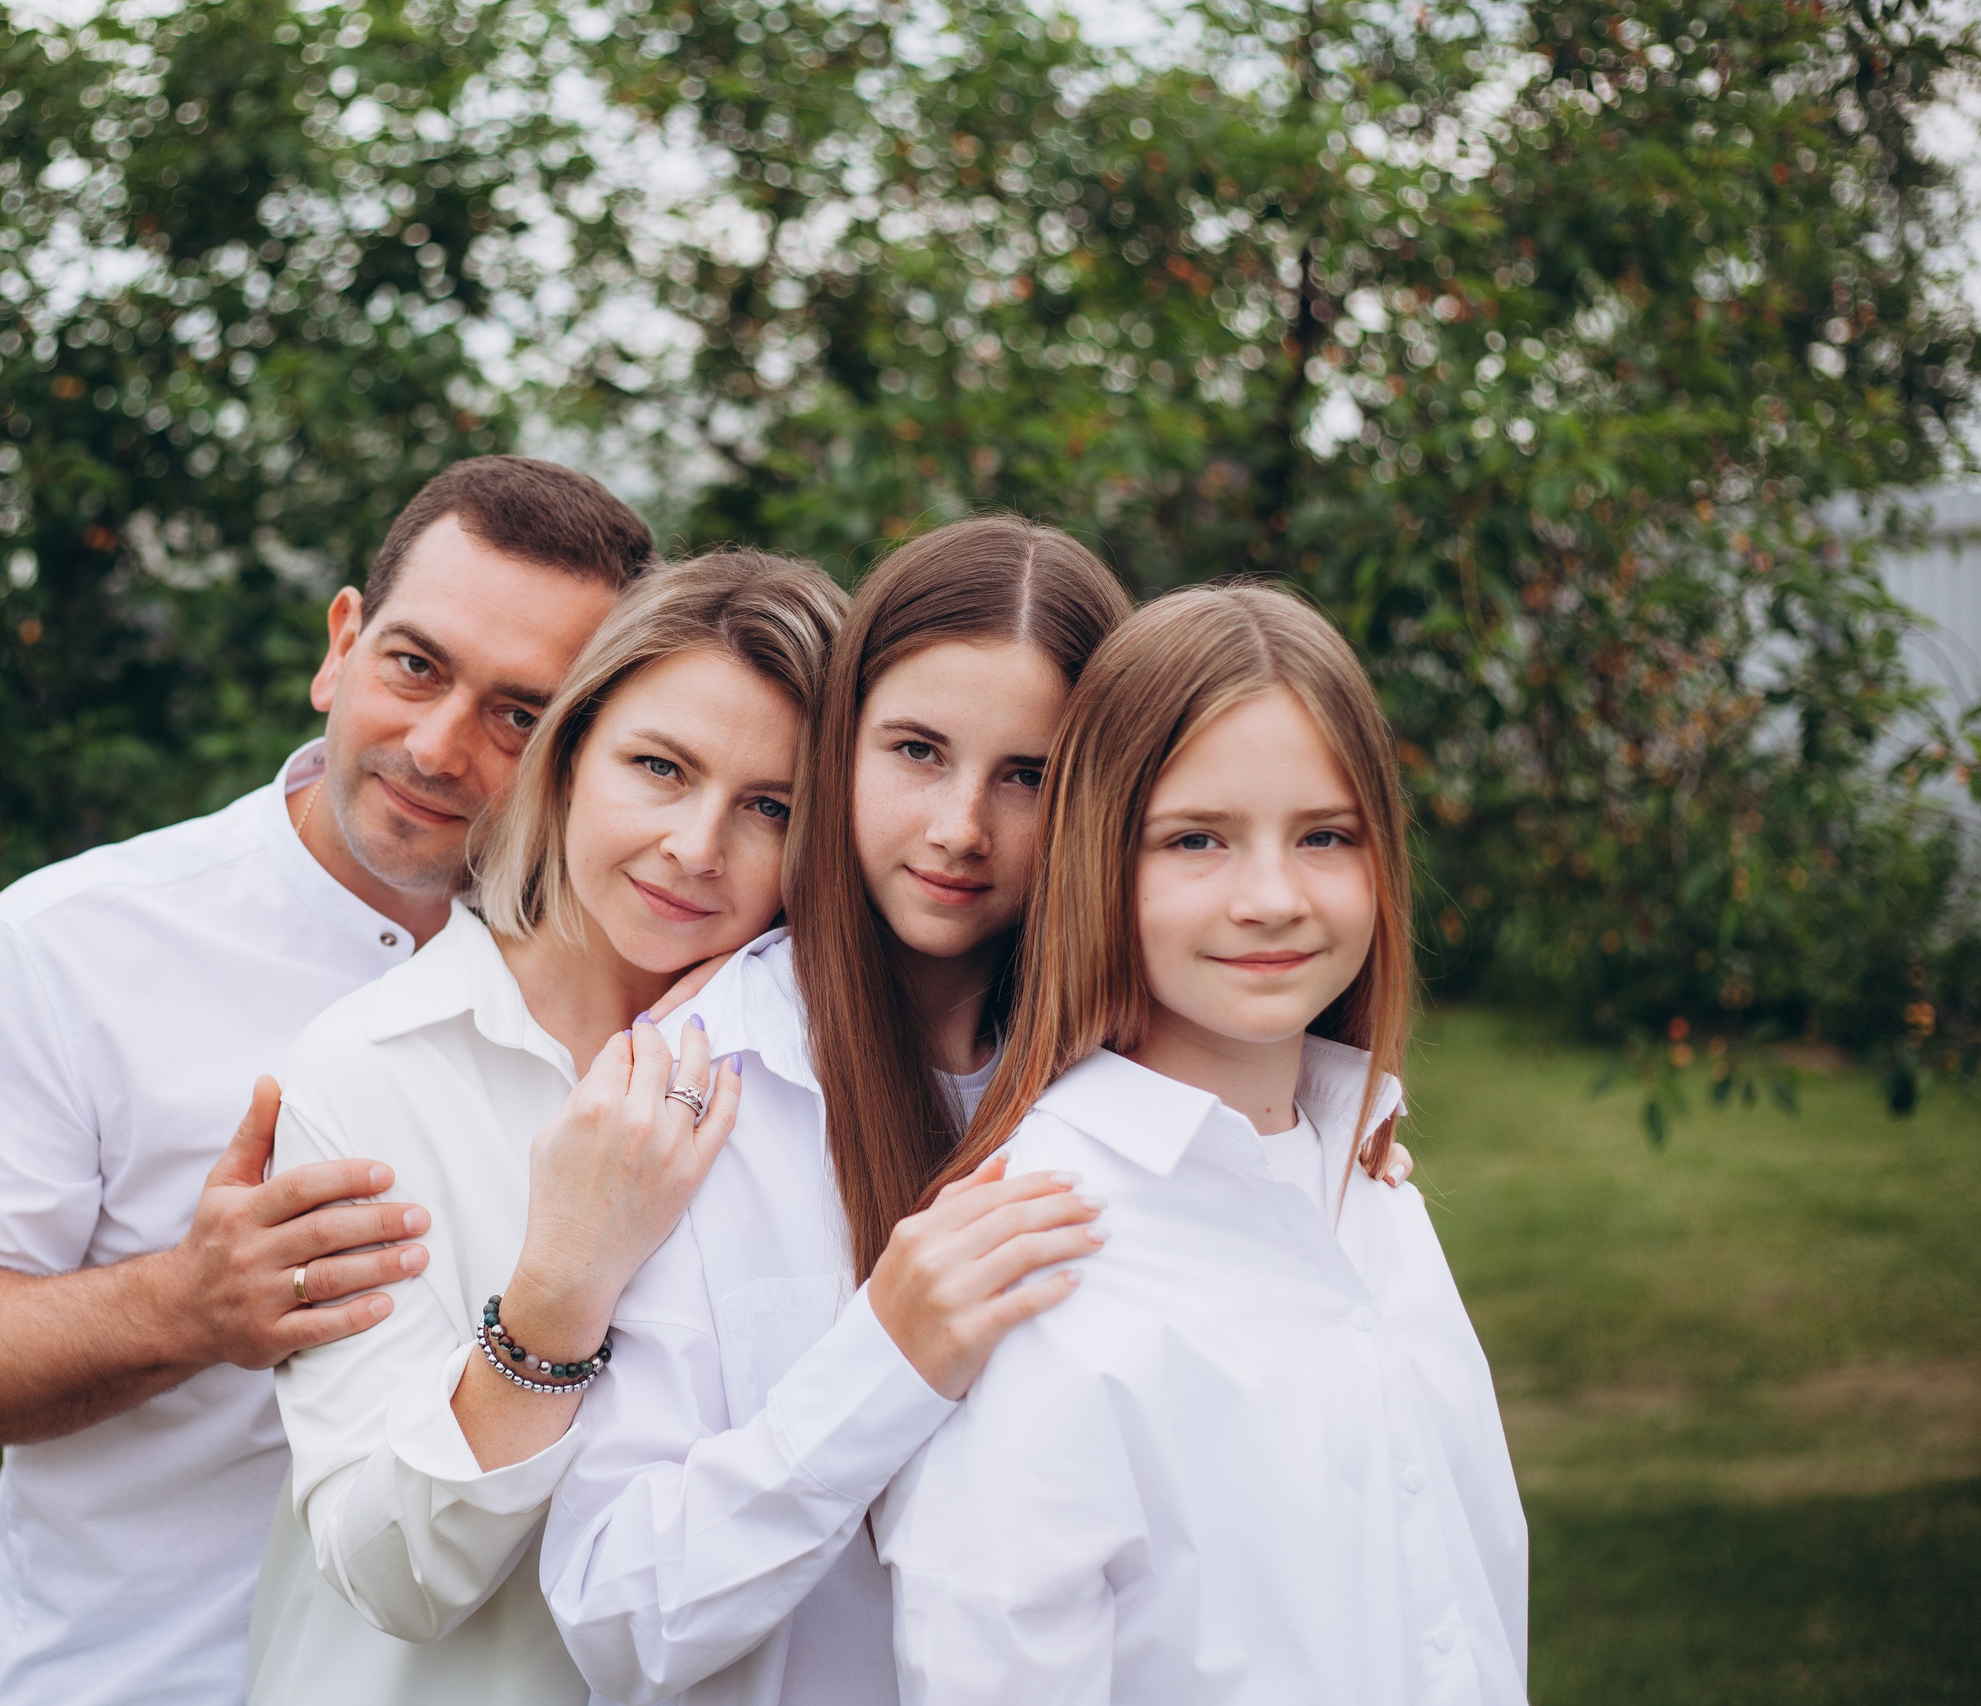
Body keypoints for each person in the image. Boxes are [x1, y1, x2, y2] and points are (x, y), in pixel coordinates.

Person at [0, 456, 655, 1706]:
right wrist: (188, 1304)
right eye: (414, 667)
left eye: (520, 713)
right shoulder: (58, 949)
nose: (437, 747)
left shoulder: (647, 981)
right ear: (341, 644)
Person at [875, 584, 1527, 1705]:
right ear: (1098, 863)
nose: (1271, 897)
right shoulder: (1039, 1256)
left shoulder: (1368, 1187)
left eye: (1324, 835)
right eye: (1195, 839)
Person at [537, 516, 1130, 1706]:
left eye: (1028, 775)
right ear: (839, 748)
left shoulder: (1139, 1085)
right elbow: (613, 1610)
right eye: (917, 750)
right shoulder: (700, 1080)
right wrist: (886, 1359)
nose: (962, 825)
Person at [244, 550, 848, 1706]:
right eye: (659, 767)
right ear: (569, 760)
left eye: (770, 807)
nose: (695, 845)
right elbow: (393, 1575)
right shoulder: (373, 1067)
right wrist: (562, 1283)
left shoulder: (823, 1086)